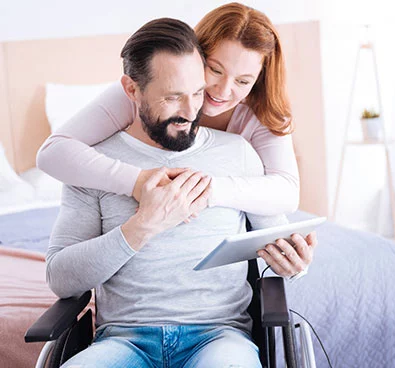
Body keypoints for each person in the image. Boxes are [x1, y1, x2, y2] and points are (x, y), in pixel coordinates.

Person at [48, 18, 316, 367]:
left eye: (196, 92)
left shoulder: (241, 151)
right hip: (125, 341)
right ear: (132, 90)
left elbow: (276, 231)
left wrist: (293, 264)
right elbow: (61, 280)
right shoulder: (89, 163)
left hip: (219, 337)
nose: (194, 111)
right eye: (174, 97)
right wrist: (142, 225)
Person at [37, 2, 299, 217]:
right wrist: (137, 182)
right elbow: (53, 152)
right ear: (195, 55)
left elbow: (287, 192)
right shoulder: (142, 94)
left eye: (243, 81)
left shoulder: (264, 112)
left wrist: (200, 190)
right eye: (215, 70)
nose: (221, 90)